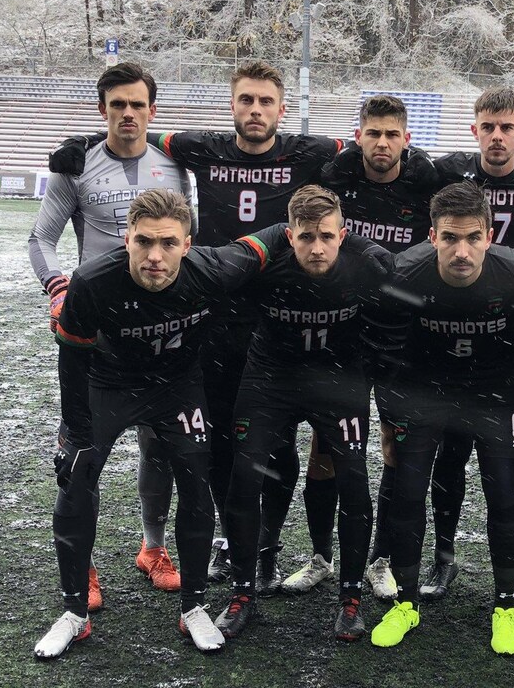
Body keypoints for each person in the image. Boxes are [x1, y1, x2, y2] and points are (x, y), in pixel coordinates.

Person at [48, 61, 346, 591]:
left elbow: (371, 148)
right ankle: (223, 544)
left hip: (274, 317)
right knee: (215, 448)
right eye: (246, 100)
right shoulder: (198, 146)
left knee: (271, 447)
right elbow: (130, 126)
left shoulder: (311, 152)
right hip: (208, 317)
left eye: (266, 102)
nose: (255, 111)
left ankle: (264, 548)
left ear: (283, 108)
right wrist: (89, 140)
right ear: (231, 105)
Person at [32, 188, 272, 659]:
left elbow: (276, 235)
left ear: (189, 244)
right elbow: (72, 364)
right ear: (127, 239)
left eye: (167, 243)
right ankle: (74, 612)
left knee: (197, 481)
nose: (155, 256)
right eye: (143, 242)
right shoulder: (92, 280)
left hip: (176, 386)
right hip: (107, 384)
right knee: (76, 477)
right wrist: (75, 433)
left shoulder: (214, 269)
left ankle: (194, 606)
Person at [28, 62, 193, 609]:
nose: (128, 114)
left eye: (137, 104)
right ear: (102, 110)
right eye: (117, 104)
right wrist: (57, 288)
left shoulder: (176, 163)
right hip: (96, 333)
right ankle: (86, 565)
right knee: (81, 451)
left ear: (153, 110)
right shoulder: (75, 164)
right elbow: (41, 238)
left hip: (159, 331)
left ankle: (153, 549)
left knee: (162, 446)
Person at [271, 94, 438, 601]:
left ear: (406, 140)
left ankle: (380, 558)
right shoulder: (336, 177)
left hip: (395, 340)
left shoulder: (426, 180)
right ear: (359, 135)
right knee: (325, 451)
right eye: (373, 133)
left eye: (391, 134)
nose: (382, 143)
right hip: (340, 336)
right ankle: (322, 556)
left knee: (392, 449)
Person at [366, 181, 514, 655]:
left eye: (471, 238)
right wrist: (388, 420)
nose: (461, 250)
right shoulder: (405, 272)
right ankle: (405, 602)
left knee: (505, 494)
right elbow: (387, 351)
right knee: (406, 493)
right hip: (426, 391)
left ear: (489, 235)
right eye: (449, 238)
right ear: (432, 236)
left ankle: (504, 606)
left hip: (493, 391)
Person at [211, 185, 394, 642]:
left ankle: (350, 598)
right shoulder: (264, 264)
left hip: (337, 379)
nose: (317, 247)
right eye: (306, 236)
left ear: (342, 234)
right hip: (270, 379)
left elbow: (393, 328)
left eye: (327, 237)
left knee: (353, 479)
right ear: (289, 236)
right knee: (245, 477)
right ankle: (242, 592)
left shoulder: (366, 266)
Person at [422, 87, 514, 606]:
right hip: (453, 326)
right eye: (488, 126)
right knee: (449, 458)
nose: (497, 137)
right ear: (474, 129)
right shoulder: (450, 172)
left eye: (507, 127)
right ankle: (443, 559)